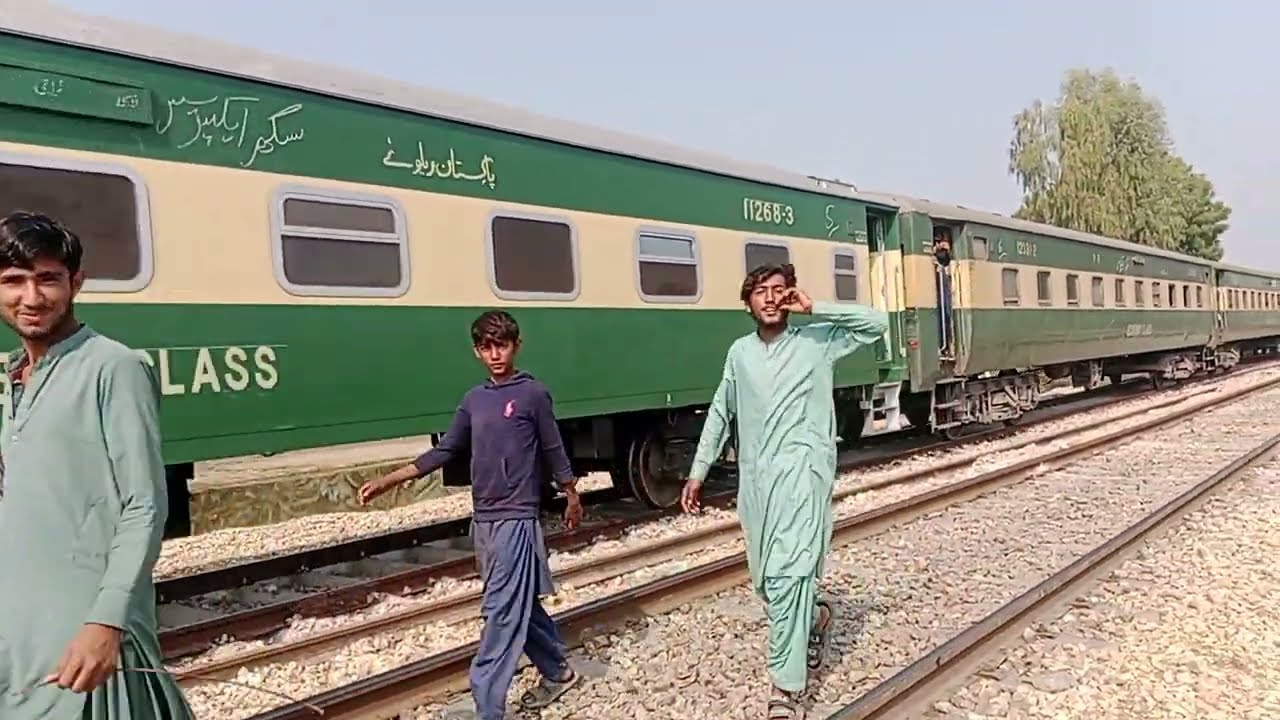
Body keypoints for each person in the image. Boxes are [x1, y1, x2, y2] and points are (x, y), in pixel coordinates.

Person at [0, 211, 193, 719]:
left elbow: (144, 506)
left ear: (76, 282)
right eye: (13, 281)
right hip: (16, 635)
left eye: (48, 279)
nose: (32, 297)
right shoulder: (10, 380)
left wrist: (106, 623)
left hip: (84, 633)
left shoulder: (115, 368)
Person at [680, 263, 888, 719]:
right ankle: (815, 619)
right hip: (757, 485)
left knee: (789, 575)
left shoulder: (818, 343)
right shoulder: (739, 354)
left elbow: (878, 325)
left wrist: (818, 308)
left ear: (790, 296)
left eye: (779, 290)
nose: (771, 298)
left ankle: (786, 690)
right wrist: (698, 471)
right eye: (761, 292)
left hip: (803, 476)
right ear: (748, 301)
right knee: (767, 583)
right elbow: (721, 411)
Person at [359, 310, 583, 719]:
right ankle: (559, 671)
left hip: (517, 517)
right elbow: (446, 450)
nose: (496, 354)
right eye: (487, 347)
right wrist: (390, 480)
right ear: (477, 351)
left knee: (500, 609)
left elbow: (552, 448)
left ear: (517, 345)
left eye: (502, 345)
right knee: (518, 604)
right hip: (484, 519)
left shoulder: (533, 394)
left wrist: (571, 493)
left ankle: (487, 706)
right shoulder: (474, 400)